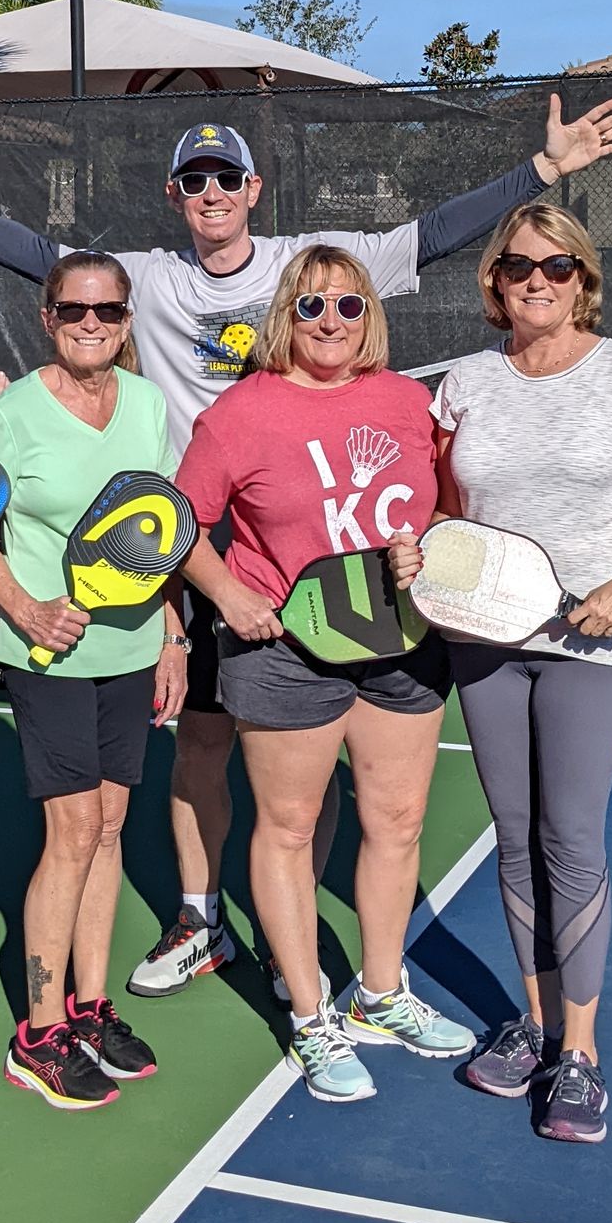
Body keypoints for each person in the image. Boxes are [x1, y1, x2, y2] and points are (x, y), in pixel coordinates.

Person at [0, 89, 612, 1003]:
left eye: (228, 176)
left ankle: (307, 927)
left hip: (298, 532)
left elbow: (434, 234)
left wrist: (544, 171)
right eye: (197, 179)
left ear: (253, 188)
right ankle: (201, 915)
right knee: (201, 737)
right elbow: (35, 253)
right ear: (177, 193)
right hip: (191, 535)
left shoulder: (308, 270)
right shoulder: (146, 277)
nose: (213, 191)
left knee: (322, 745)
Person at [175, 247, 474, 1102]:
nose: (331, 323)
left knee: (397, 821)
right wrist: (230, 595)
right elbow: (180, 524)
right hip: (286, 652)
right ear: (284, 317)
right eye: (311, 308)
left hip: (402, 643)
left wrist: (429, 547)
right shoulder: (238, 414)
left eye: (348, 306)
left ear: (370, 315)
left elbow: (448, 506)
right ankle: (311, 1015)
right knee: (290, 828)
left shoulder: (408, 402)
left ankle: (382, 994)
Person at [431, 201, 612, 1143]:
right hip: (485, 638)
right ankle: (534, 1029)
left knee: (571, 838)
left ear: (584, 278)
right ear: (494, 281)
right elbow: (448, 508)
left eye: (558, 266)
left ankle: (580, 1052)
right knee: (513, 835)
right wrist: (429, 565)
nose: (537, 279)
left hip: (587, 639)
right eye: (519, 266)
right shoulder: (466, 381)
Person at [0, 254, 188, 1110]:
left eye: (106, 312)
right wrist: (23, 609)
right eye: (73, 311)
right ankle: (39, 1032)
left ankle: (91, 1008)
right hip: (48, 658)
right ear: (47, 318)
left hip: (132, 653)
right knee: (71, 833)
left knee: (109, 826)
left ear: (127, 320)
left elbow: (160, 527)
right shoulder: (10, 417)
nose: (90, 325)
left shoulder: (147, 404)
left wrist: (171, 634)